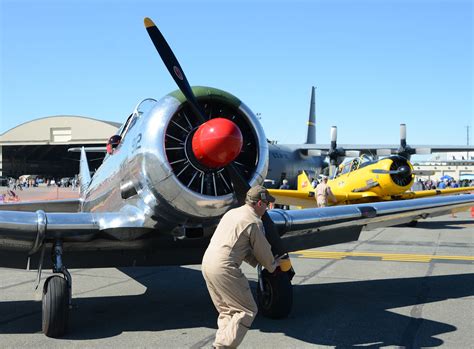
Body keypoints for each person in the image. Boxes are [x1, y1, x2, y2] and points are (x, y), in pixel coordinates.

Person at [202, 185, 286, 348]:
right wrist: (272, 265)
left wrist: (258, 262)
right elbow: (262, 250)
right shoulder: (253, 221)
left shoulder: (232, 213)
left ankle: (220, 344)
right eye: (267, 204)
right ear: (259, 203)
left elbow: (241, 248)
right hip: (225, 267)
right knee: (246, 310)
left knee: (227, 311)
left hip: (207, 263)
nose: (268, 208)